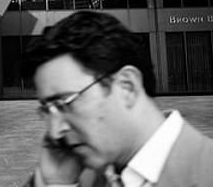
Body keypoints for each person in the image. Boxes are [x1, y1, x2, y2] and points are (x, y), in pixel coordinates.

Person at [22, 11, 213, 187]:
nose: (55, 132)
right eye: (47, 109)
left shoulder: (205, 174)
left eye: (65, 103)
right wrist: (56, 183)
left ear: (126, 86)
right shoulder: (79, 174)